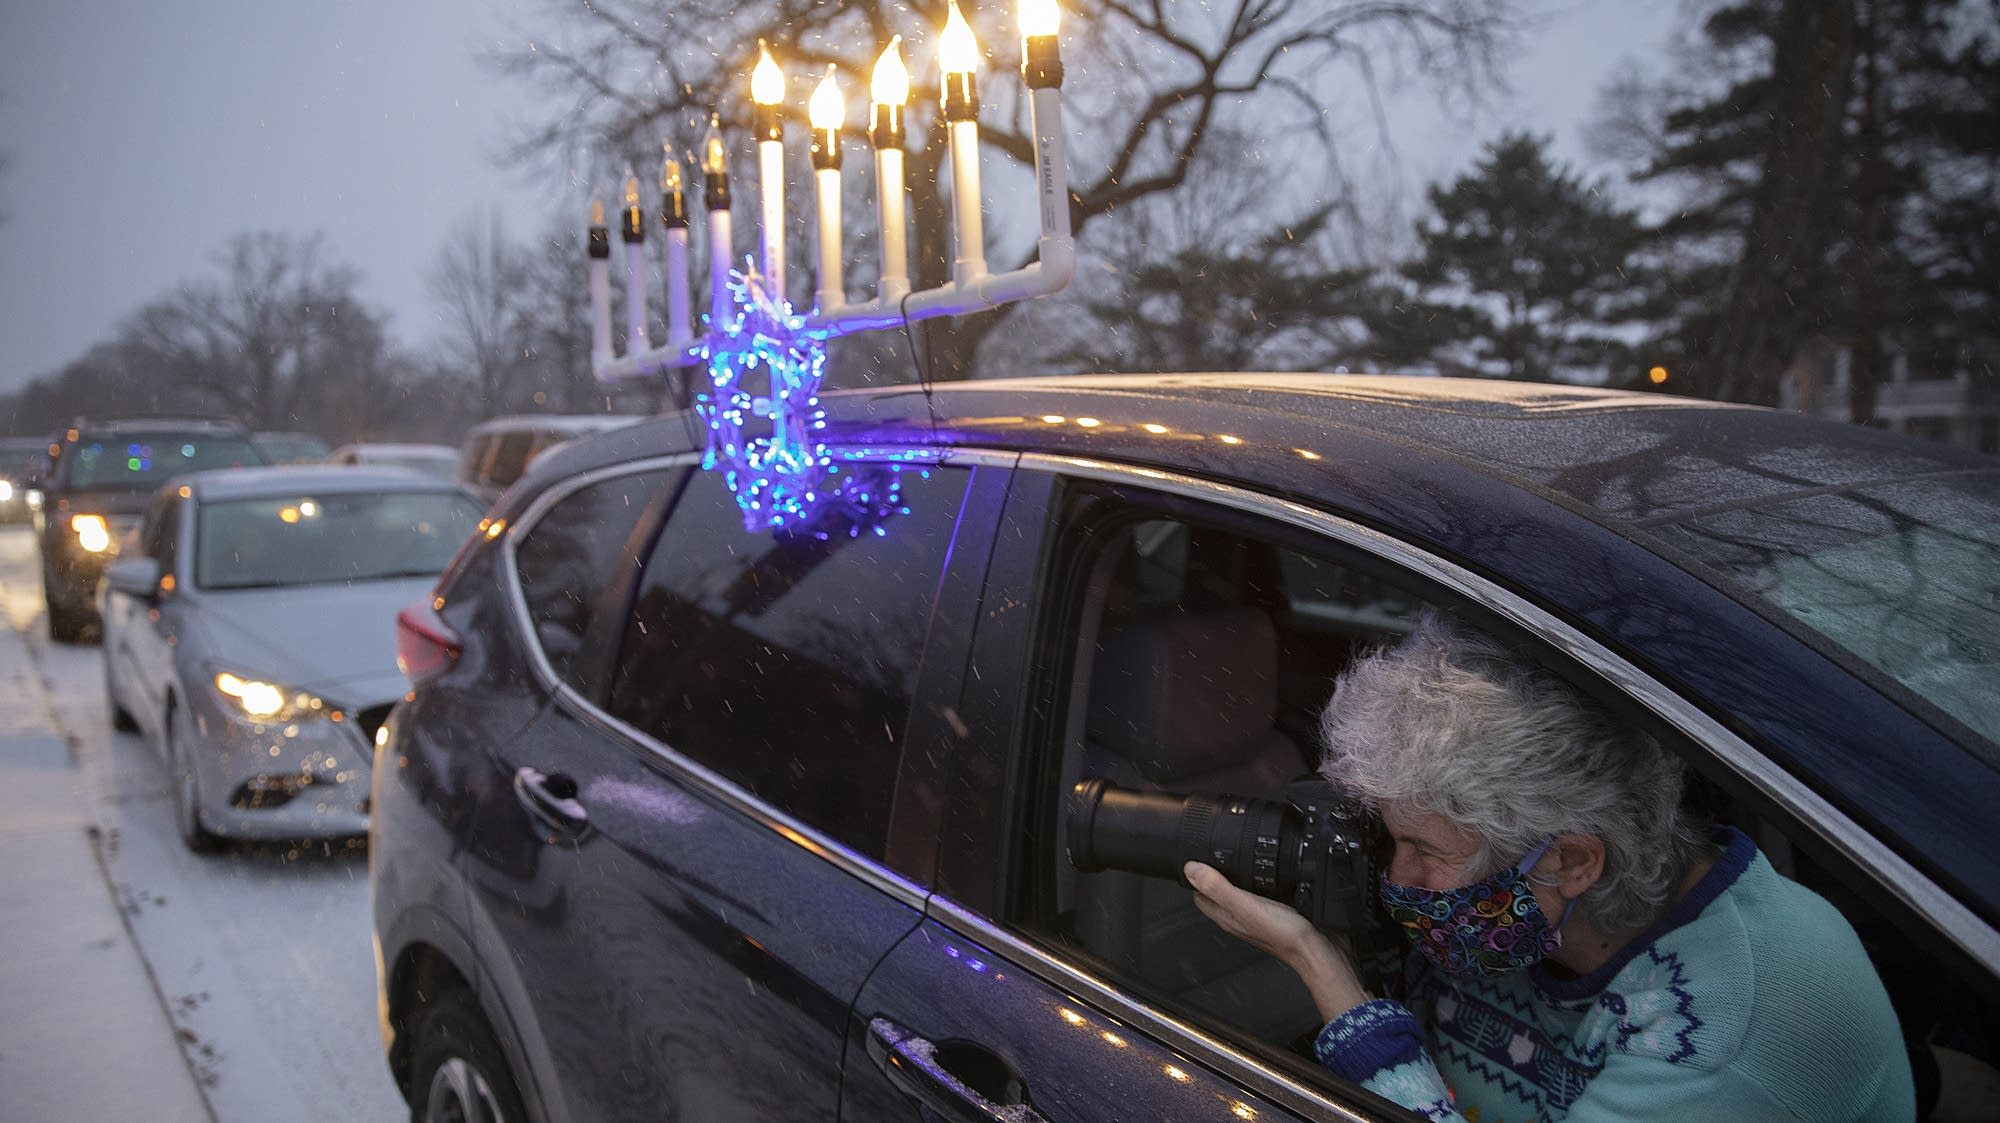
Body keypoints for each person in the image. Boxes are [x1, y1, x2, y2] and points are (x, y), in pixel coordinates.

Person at [1187, 613, 1914, 1122]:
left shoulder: (1728, 1031)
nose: (1396, 878)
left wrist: (1328, 976)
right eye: (1392, 840)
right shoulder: (1518, 915)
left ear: (1569, 861)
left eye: (1428, 852)